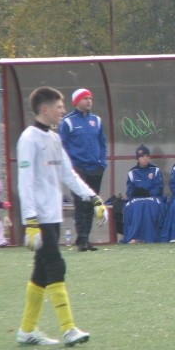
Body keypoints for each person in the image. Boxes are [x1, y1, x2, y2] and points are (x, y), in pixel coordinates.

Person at [16, 86, 107, 346]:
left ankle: (26, 331)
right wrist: (30, 221)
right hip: (40, 219)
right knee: (56, 266)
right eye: (59, 106)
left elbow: (69, 174)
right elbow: (25, 182)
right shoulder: (29, 139)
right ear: (45, 109)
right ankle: (69, 330)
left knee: (41, 273)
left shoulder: (54, 138)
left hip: (52, 216)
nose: (63, 110)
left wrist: (93, 197)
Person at [59, 88, 107, 251]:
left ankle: (85, 238)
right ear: (76, 101)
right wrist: (71, 166)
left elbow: (102, 143)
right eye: (85, 98)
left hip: (96, 168)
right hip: (78, 169)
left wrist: (102, 162)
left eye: (90, 98)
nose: (89, 101)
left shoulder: (97, 120)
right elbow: (62, 146)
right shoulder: (68, 122)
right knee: (81, 203)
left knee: (92, 204)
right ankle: (82, 240)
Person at [122, 144, 167, 243]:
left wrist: (147, 192)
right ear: (138, 158)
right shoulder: (132, 172)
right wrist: (136, 192)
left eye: (147, 156)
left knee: (150, 205)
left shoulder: (155, 170)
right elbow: (129, 190)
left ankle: (152, 237)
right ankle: (135, 237)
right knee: (135, 206)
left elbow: (159, 187)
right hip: (137, 198)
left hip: (152, 197)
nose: (145, 159)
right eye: (142, 157)